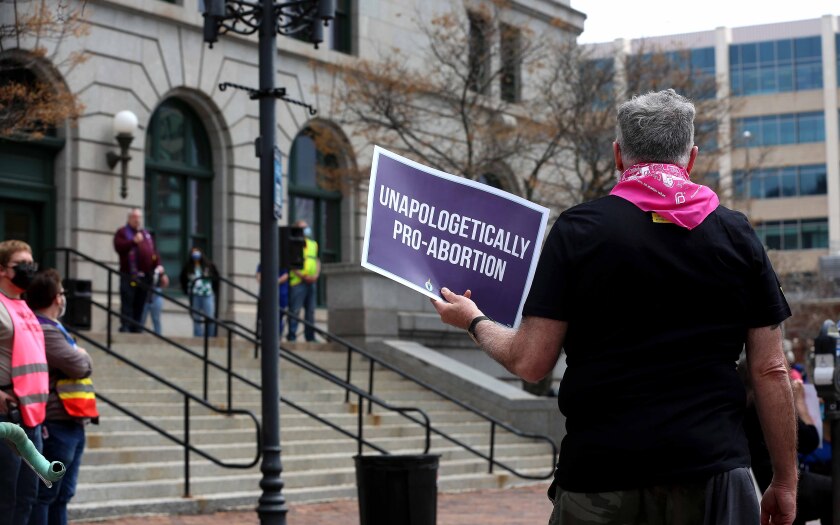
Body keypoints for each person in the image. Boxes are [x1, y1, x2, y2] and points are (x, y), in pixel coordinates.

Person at [432, 90, 798, 524]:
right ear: (692, 158)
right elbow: (772, 370)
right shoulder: (736, 234)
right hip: (714, 472)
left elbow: (531, 361)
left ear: (618, 155)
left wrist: (473, 321)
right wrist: (786, 481)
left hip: (600, 476)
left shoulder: (579, 230)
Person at [26, 269, 97, 525]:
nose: (64, 298)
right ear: (57, 298)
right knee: (47, 494)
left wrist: (80, 355)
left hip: (73, 419)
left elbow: (78, 361)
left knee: (63, 494)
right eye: (63, 292)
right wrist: (82, 354)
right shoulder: (44, 330)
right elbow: (79, 365)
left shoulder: (55, 328)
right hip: (56, 424)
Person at [743, 364, 833, 525]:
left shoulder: (747, 405)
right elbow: (810, 440)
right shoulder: (768, 404)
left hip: (765, 481)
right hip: (783, 482)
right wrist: (798, 403)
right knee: (835, 491)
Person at [0, 240, 48, 525]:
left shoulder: (24, 306)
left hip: (33, 416)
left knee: (27, 497)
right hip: (7, 415)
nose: (29, 270)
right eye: (22, 264)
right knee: (6, 500)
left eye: (32, 264)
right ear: (2, 269)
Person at [113, 208, 164, 333]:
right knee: (128, 301)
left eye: (139, 217)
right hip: (129, 274)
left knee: (140, 303)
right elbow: (119, 246)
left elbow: (153, 252)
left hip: (145, 276)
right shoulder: (123, 232)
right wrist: (133, 242)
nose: (137, 220)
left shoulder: (146, 234)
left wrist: (160, 268)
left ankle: (136, 327)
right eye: (135, 217)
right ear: (129, 218)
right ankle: (126, 326)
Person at [287, 220, 320, 342]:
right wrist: (302, 276)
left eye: (306, 227)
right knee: (295, 310)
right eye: (303, 228)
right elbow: (291, 264)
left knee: (310, 311)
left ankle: (310, 336)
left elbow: (316, 260)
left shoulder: (313, 244)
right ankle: (291, 335)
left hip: (311, 282)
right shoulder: (293, 244)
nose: (306, 230)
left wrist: (316, 274)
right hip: (298, 282)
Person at [179, 247, 219, 337]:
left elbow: (216, 278)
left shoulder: (209, 266)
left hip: (207, 294)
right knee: (196, 318)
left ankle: (210, 337)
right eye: (193, 253)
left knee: (210, 317)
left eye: (197, 252)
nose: (196, 255)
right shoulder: (188, 267)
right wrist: (186, 291)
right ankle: (198, 336)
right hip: (195, 295)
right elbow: (183, 279)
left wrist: (214, 290)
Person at [255, 264, 289, 337]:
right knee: (264, 315)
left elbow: (286, 275)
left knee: (279, 316)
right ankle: (265, 335)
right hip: (266, 293)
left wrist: (273, 282)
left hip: (280, 294)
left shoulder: (283, 262)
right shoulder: (264, 262)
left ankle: (276, 336)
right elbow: (258, 275)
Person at [140, 265, 169, 335]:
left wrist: (161, 274)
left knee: (156, 319)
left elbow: (165, 282)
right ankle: (139, 333)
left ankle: (158, 334)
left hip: (156, 296)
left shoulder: (158, 269)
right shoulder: (144, 268)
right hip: (145, 295)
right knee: (142, 319)